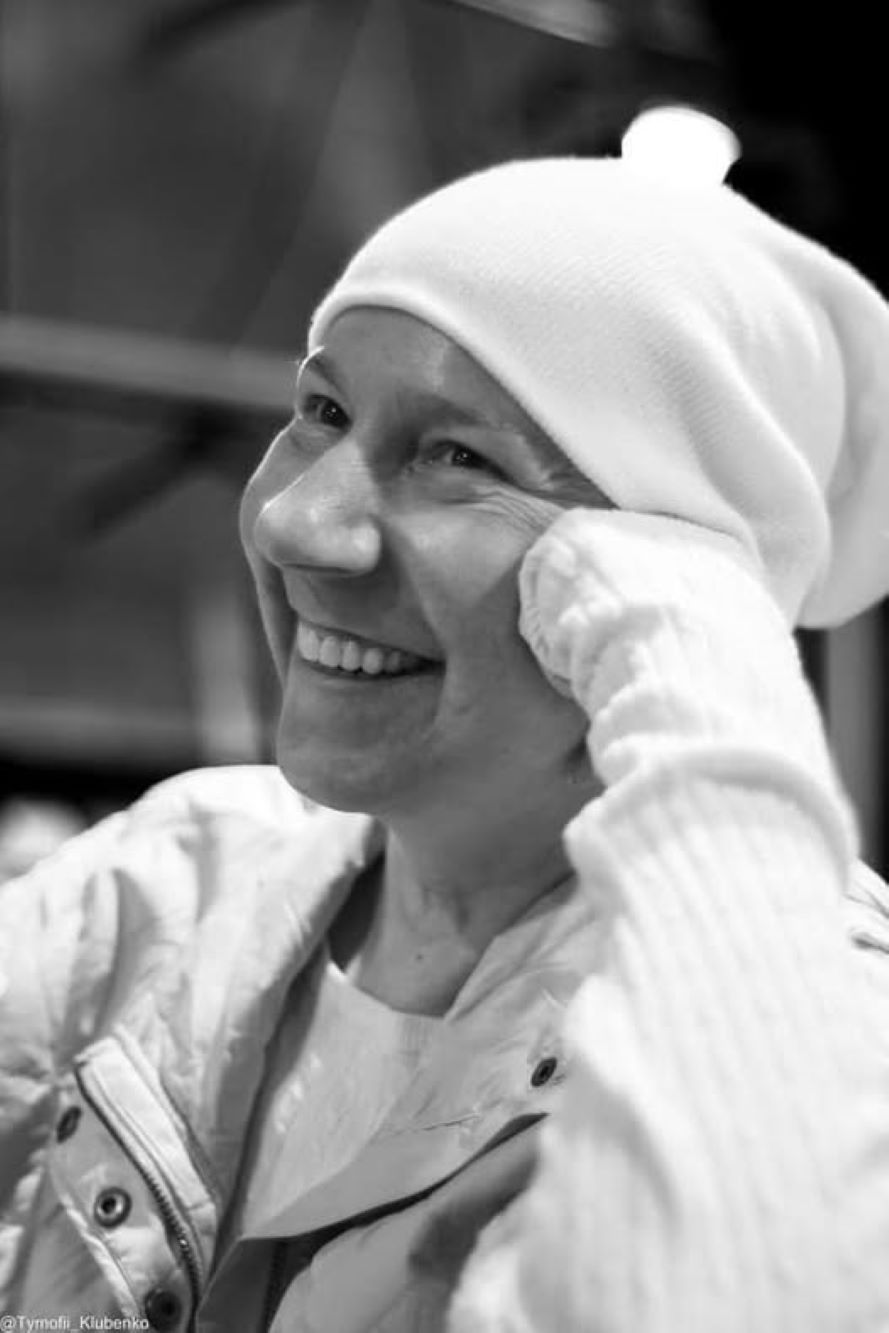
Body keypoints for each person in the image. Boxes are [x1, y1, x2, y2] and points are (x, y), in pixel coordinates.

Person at [2, 157, 889, 1333]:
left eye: (459, 458)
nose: (295, 522)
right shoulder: (179, 876)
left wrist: (707, 696)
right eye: (322, 411)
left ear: (671, 589)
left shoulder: (836, 1029)